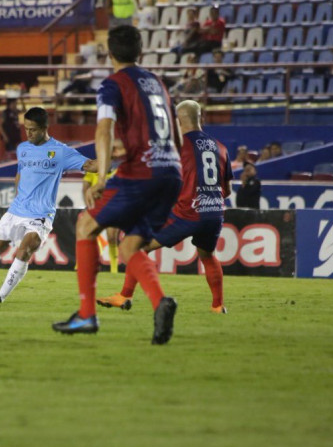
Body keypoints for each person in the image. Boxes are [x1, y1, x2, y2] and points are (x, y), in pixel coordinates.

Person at [52, 25, 182, 345]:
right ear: (141, 52)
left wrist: (103, 175)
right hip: (172, 171)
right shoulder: (157, 83)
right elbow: (176, 131)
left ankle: (86, 315)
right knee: (128, 247)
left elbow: (103, 131)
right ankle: (160, 302)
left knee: (85, 225)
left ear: (109, 54)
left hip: (142, 171)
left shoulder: (111, 85)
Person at [97, 100, 231, 314]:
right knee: (207, 255)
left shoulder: (175, 145)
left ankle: (124, 296)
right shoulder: (220, 147)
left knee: (136, 246)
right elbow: (228, 189)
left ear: (177, 121)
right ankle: (218, 306)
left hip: (187, 212)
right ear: (200, 118)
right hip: (214, 212)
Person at [0, 107, 97, 303]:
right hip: (16, 211)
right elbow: (20, 173)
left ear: (44, 128)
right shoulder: (23, 148)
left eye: (33, 129)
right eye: (26, 129)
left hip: (40, 216)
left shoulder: (60, 151)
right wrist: (18, 196)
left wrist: (111, 161)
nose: (28, 133)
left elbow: (90, 165)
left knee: (24, 251)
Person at [81, 140, 125, 273]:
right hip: (96, 206)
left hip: (113, 207)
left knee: (112, 237)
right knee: (89, 235)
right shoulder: (93, 169)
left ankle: (113, 268)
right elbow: (85, 187)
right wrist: (88, 203)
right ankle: (83, 265)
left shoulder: (118, 170)